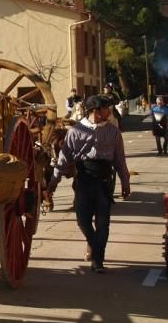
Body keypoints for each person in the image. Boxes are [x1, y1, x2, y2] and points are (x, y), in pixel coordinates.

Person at [47, 94, 130, 273]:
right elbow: (63, 158)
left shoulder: (113, 132)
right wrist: (53, 182)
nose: (110, 111)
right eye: (106, 108)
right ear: (95, 111)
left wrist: (125, 181)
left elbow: (120, 160)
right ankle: (94, 245)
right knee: (83, 221)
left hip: (104, 182)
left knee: (103, 223)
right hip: (83, 179)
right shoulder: (75, 131)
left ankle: (98, 260)